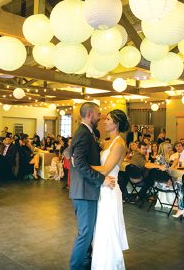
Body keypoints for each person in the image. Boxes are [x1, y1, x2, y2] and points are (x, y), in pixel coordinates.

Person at [69, 102, 115, 270]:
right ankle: (75, 267)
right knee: (85, 234)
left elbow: (72, 152)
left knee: (87, 233)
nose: (100, 116)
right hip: (84, 191)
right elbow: (80, 162)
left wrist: (70, 156)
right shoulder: (83, 133)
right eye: (98, 114)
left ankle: (86, 265)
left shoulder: (86, 133)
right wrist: (101, 179)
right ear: (89, 114)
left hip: (83, 190)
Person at [90, 109, 129, 269]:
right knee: (100, 228)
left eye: (107, 119)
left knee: (108, 230)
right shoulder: (107, 142)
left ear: (116, 123)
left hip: (111, 191)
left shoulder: (119, 143)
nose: (104, 121)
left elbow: (105, 169)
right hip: (102, 188)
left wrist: (81, 166)